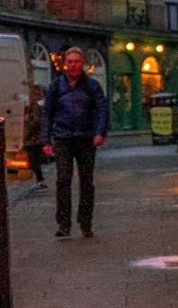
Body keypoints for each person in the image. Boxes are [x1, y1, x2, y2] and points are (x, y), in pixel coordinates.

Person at [44, 47, 110, 237]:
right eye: (70, 61)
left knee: (86, 182)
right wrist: (45, 139)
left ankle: (85, 223)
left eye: (77, 61)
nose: (73, 65)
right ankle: (64, 224)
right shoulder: (56, 86)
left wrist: (99, 133)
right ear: (65, 63)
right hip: (63, 138)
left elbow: (102, 111)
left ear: (83, 64)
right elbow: (48, 113)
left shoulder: (92, 86)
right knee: (63, 181)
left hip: (86, 139)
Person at [23, 84, 48, 185]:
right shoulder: (40, 102)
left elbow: (37, 120)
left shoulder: (35, 104)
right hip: (37, 136)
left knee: (33, 159)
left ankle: (40, 179)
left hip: (33, 137)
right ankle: (39, 179)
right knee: (35, 158)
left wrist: (27, 132)